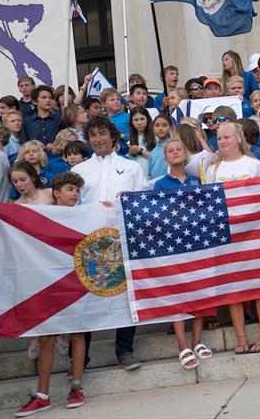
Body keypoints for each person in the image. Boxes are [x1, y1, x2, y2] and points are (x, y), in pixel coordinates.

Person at [73, 116, 148, 370]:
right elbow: (71, 206)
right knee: (86, 299)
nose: (98, 139)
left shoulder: (131, 168)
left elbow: (141, 203)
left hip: (121, 242)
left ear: (113, 136)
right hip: (88, 243)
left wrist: (122, 203)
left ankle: (124, 350)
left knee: (125, 298)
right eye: (92, 135)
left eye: (102, 133)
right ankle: (81, 357)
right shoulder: (79, 170)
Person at [14, 172, 88, 416]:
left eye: (77, 190)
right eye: (70, 189)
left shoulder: (86, 214)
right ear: (56, 193)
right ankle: (42, 395)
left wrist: (107, 209)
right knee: (46, 337)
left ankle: (76, 387)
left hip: (77, 282)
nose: (75, 194)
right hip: (48, 283)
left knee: (78, 335)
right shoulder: (42, 215)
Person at [203, 122, 260, 354]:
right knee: (234, 286)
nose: (221, 141)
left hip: (254, 232)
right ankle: (241, 338)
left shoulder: (254, 164)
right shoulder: (212, 170)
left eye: (226, 137)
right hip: (227, 233)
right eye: (219, 138)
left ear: (238, 138)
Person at [151, 139, 215, 368]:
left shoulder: (197, 181)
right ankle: (182, 345)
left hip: (196, 243)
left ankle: (197, 341)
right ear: (165, 158)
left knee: (197, 291)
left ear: (185, 155)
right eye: (171, 151)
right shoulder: (160, 185)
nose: (176, 152)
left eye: (179, 149)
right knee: (177, 294)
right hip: (173, 246)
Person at [127, 106, 155, 175]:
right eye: (136, 120)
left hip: (151, 176)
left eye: (142, 119)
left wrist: (140, 151)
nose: (139, 123)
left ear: (147, 119)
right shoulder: (130, 139)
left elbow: (158, 160)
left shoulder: (156, 136)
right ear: (131, 122)